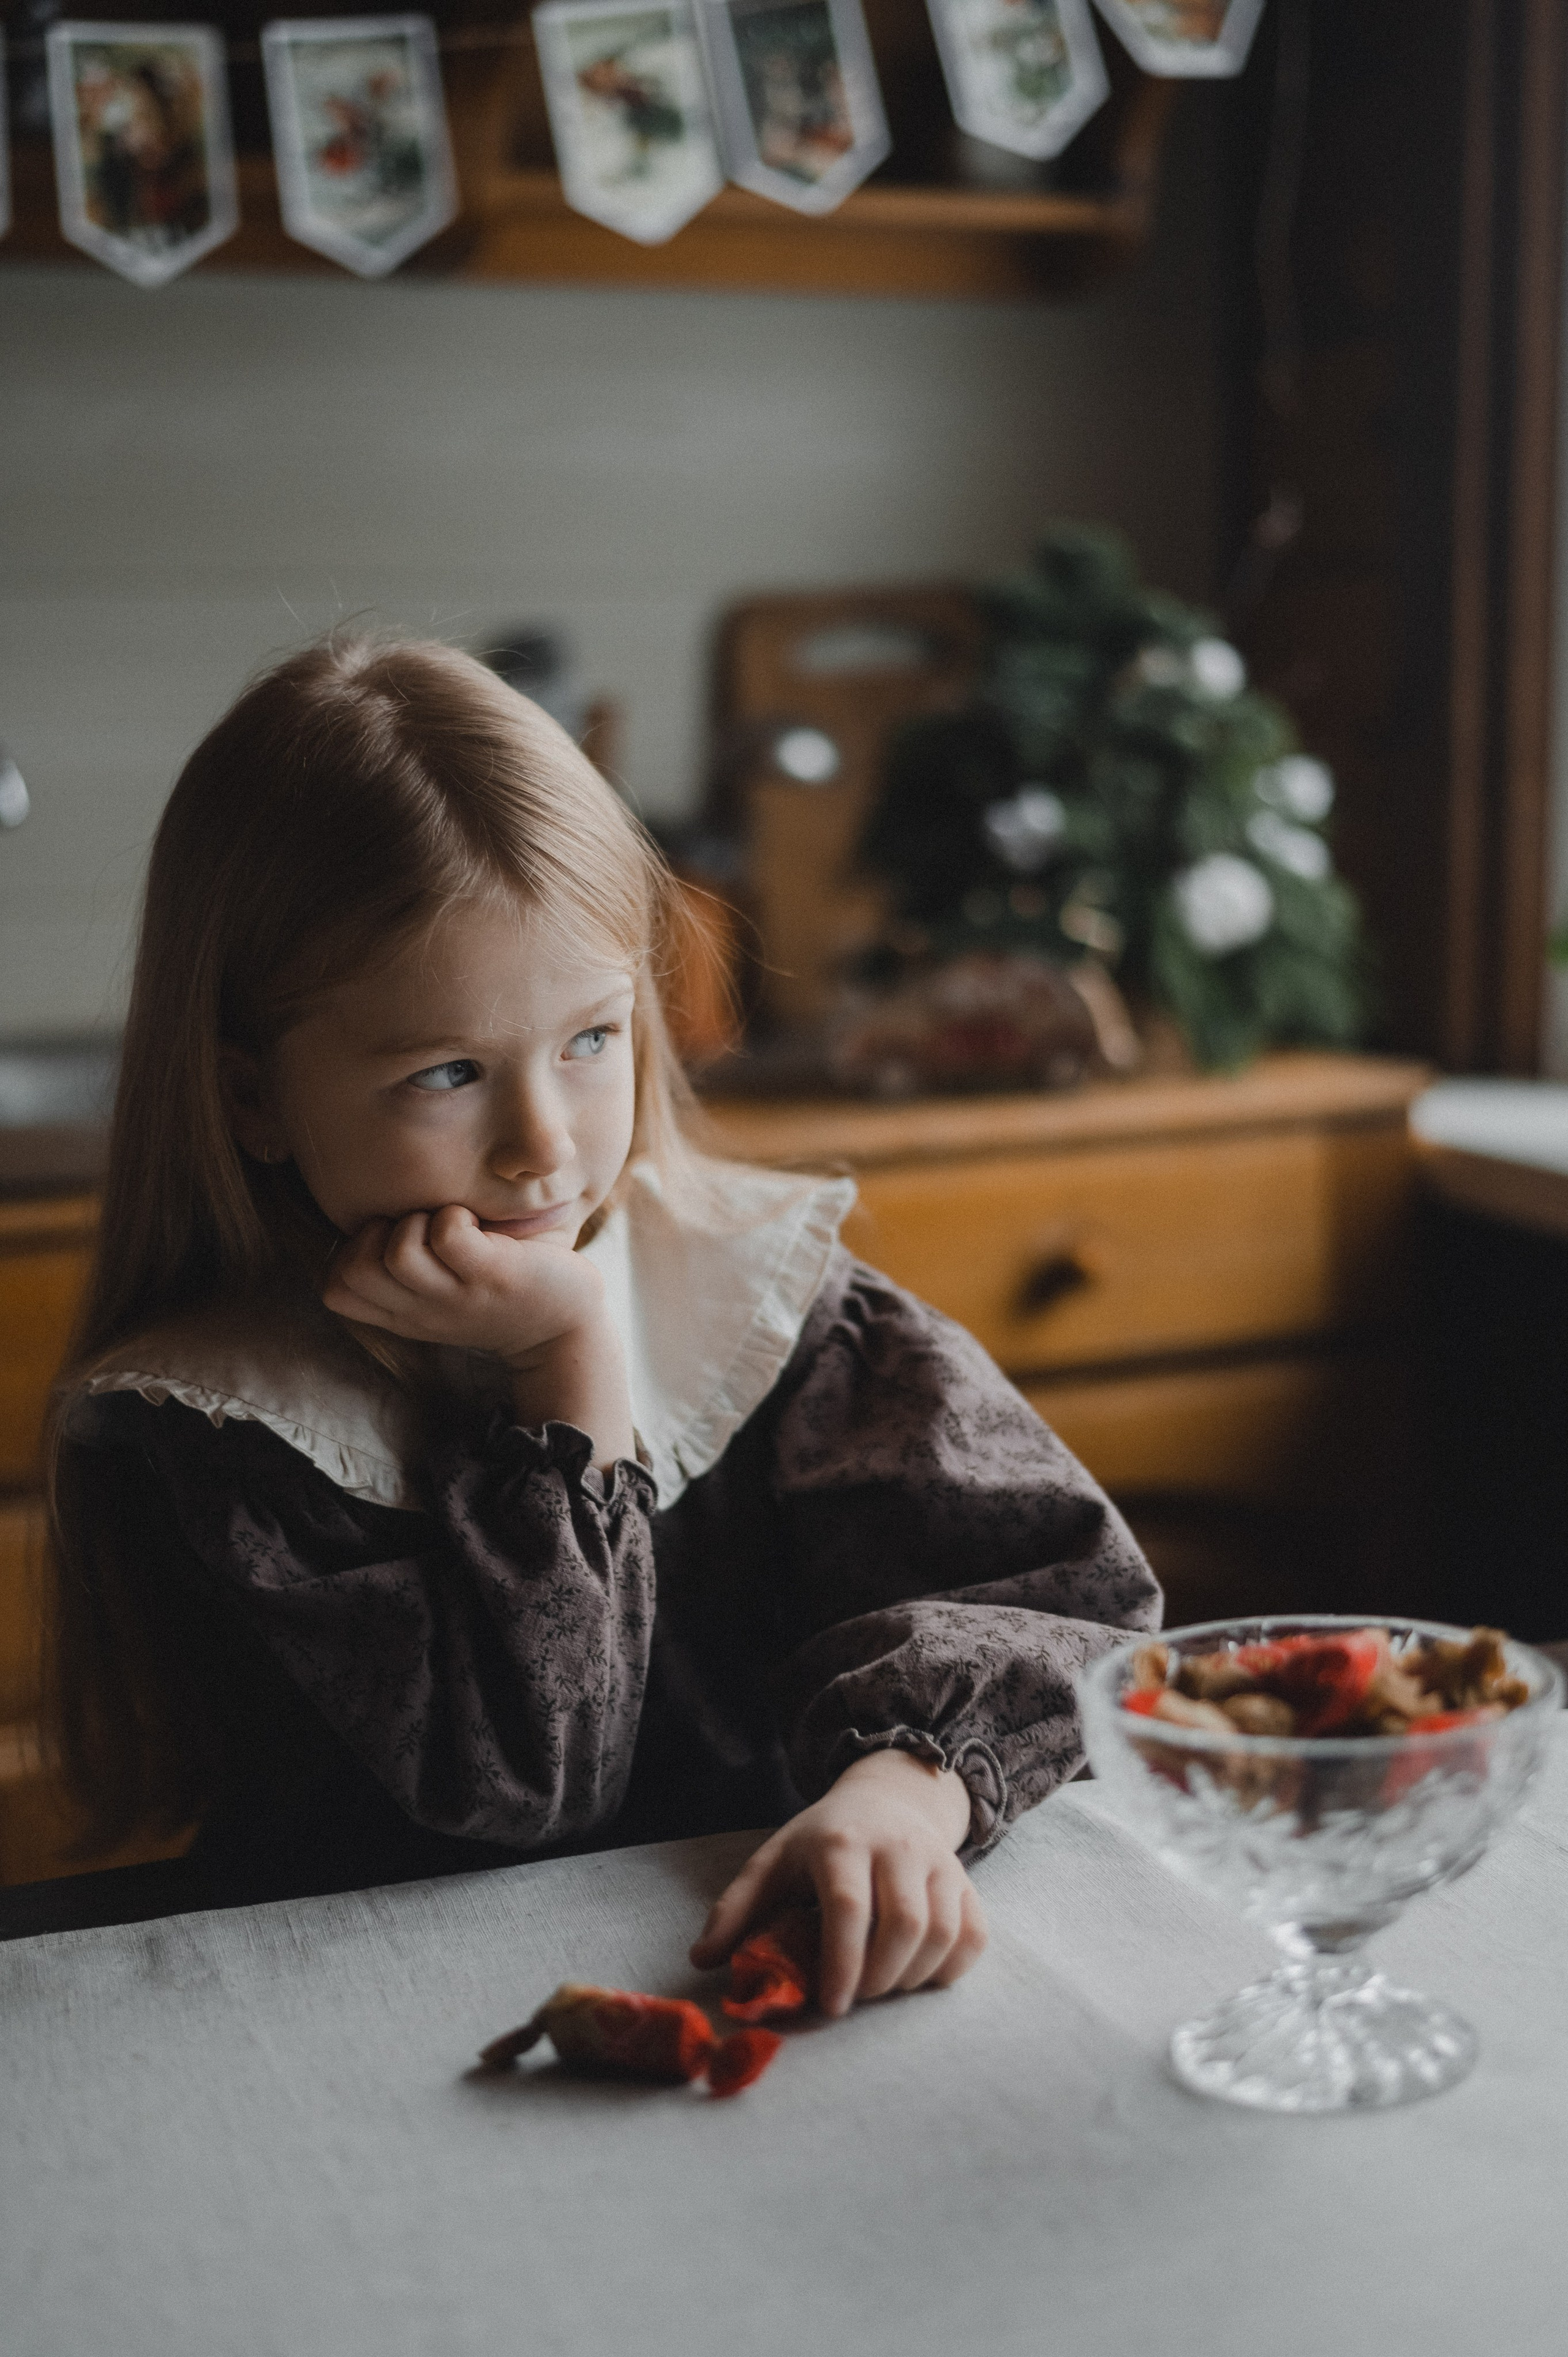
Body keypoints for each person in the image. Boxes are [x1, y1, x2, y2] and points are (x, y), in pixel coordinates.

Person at [45, 635, 1159, 2015]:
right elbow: (526, 1786)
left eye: (590, 1040)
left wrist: (906, 1789)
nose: (541, 1146)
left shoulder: (750, 1295)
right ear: (253, 1099)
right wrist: (567, 1368)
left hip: (748, 1975)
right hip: (360, 2025)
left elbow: (1077, 1599)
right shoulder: (229, 1421)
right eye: (447, 1072)